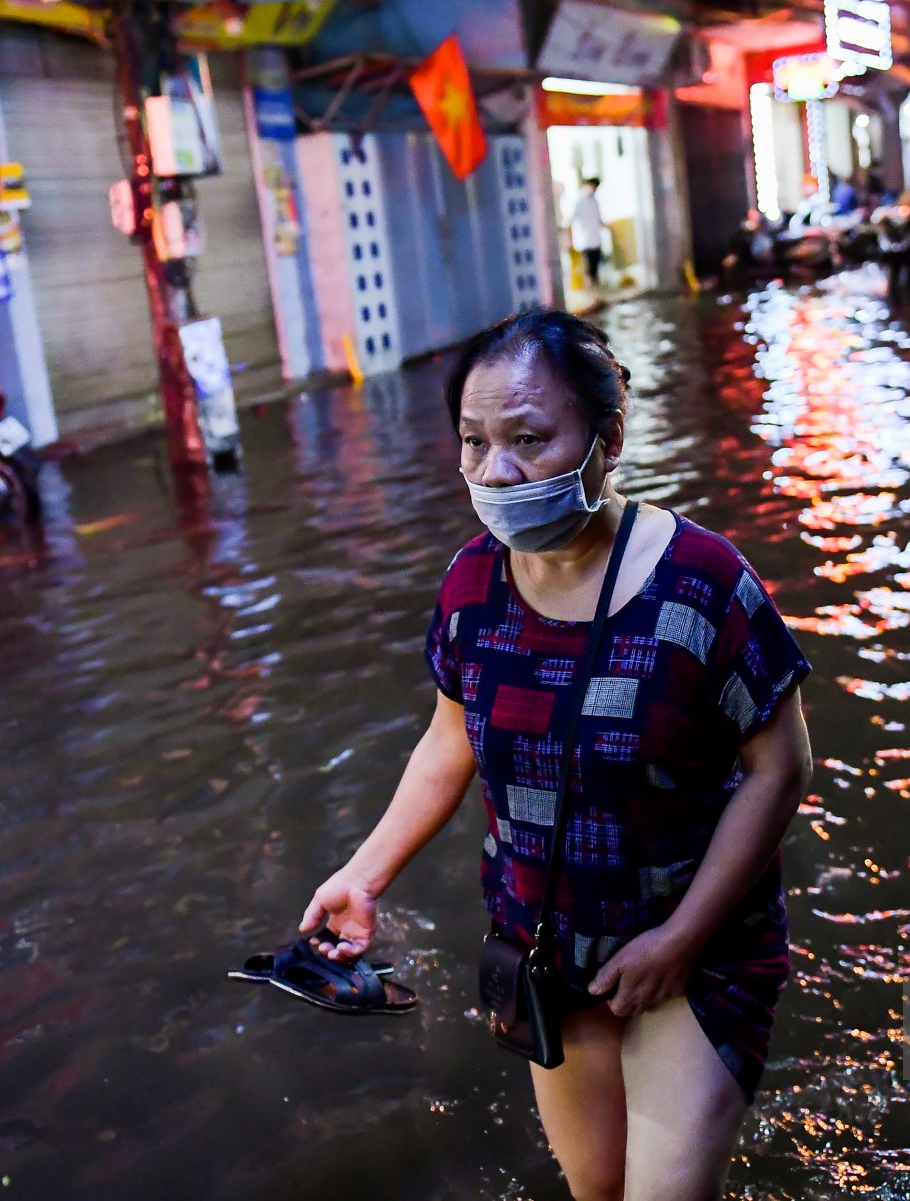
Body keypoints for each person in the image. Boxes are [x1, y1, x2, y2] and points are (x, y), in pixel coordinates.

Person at [300, 309, 814, 1201]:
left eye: (530, 439)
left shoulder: (703, 584)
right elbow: (448, 737)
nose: (497, 470)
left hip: (697, 948)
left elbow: (781, 768)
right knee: (596, 1191)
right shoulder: (471, 585)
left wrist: (682, 937)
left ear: (607, 437)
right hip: (551, 950)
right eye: (474, 442)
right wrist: (364, 874)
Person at [875, 196, 910, 305]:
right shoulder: (884, 218)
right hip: (892, 252)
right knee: (894, 275)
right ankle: (895, 298)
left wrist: (905, 243)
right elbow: (882, 230)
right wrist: (893, 245)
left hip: (906, 250)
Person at [571, 178, 606, 289]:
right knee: (588, 266)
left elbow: (598, 218)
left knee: (594, 264)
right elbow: (572, 218)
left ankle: (594, 287)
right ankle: (589, 288)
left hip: (594, 238)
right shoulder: (579, 201)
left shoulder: (594, 201)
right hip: (585, 239)